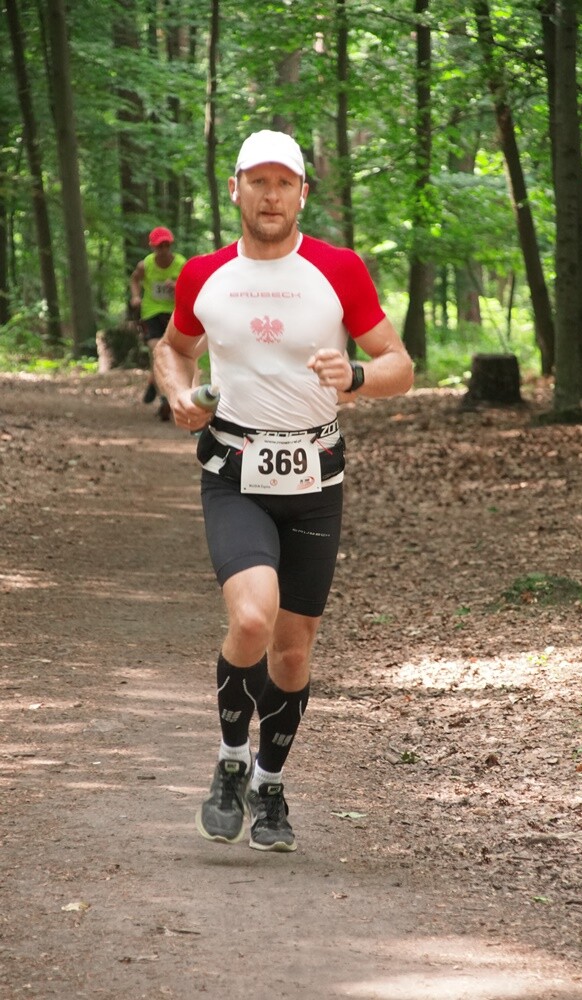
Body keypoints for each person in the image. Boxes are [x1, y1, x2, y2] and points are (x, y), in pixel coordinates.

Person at [154, 129, 413, 852]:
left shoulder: (338, 269)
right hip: (234, 471)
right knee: (251, 620)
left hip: (314, 478)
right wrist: (177, 394)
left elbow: (399, 363)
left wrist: (356, 377)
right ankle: (230, 762)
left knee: (293, 653)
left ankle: (269, 782)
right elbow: (173, 349)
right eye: (257, 182)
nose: (271, 196)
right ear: (234, 189)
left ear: (303, 193)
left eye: (284, 183)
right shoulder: (203, 273)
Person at [130, 226, 186, 421]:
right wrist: (136, 297)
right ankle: (164, 397)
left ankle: (154, 381)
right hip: (151, 312)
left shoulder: (180, 263)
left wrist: (178, 286)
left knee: (171, 353)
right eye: (159, 246)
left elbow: (191, 287)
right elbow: (134, 280)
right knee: (155, 349)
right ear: (152, 247)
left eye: (166, 245)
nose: (163, 250)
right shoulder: (145, 265)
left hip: (173, 313)